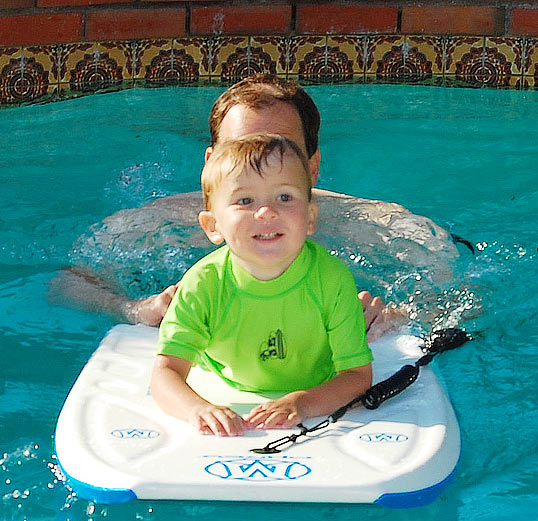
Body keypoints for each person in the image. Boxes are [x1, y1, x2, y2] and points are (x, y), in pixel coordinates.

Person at [51, 74, 457, 339]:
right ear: (210, 163)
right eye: (241, 150)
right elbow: (68, 285)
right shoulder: (146, 224)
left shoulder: (384, 226)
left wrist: (397, 316)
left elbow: (459, 300)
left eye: (283, 151)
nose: (262, 166)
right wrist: (133, 308)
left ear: (312, 166)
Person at [150, 134, 373, 437]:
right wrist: (197, 408)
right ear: (212, 226)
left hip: (314, 385)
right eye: (245, 200)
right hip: (223, 382)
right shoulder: (202, 284)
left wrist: (303, 402)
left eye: (284, 197)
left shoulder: (332, 280)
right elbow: (165, 372)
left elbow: (357, 375)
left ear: (310, 217)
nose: (266, 211)